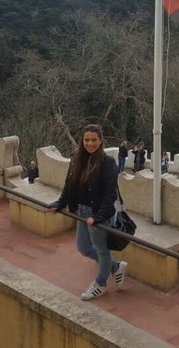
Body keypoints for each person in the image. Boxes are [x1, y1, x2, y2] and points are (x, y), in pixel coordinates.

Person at [48, 124, 128, 301]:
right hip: (82, 211)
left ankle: (100, 284)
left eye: (94, 140)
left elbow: (110, 194)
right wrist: (60, 203)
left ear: (100, 141)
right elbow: (69, 184)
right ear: (82, 140)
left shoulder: (108, 163)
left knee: (102, 251)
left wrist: (99, 217)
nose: (90, 143)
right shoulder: (77, 158)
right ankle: (115, 267)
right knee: (83, 248)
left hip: (99, 215)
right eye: (87, 140)